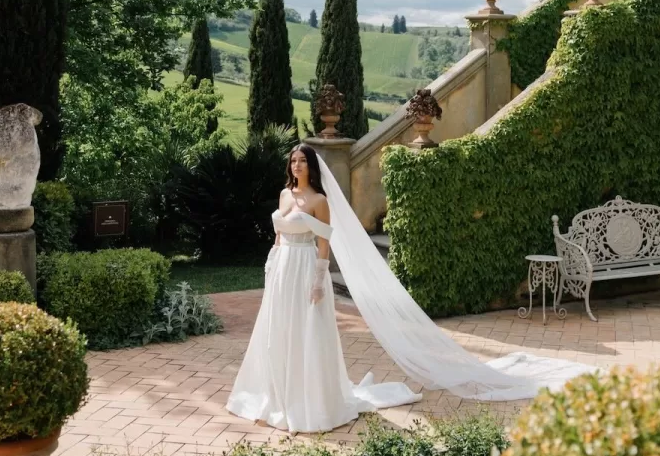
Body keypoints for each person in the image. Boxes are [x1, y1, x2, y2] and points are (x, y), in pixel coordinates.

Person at [226, 144, 591, 434]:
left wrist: (320, 279)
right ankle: (280, 395)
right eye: (293, 161)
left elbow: (325, 243)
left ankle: (310, 402)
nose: (296, 166)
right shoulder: (284, 195)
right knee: (281, 332)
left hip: (306, 267)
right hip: (283, 269)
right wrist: (271, 263)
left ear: (312, 167)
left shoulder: (320, 203)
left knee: (306, 333)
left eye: (302, 161)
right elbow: (278, 234)